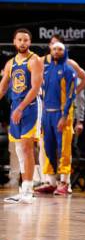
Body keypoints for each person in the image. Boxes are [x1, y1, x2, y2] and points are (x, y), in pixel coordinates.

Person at [0, 29, 43, 203]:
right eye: (20, 39)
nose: (23, 43)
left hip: (30, 107)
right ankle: (23, 189)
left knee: (27, 148)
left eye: (26, 40)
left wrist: (20, 108)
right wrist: (16, 108)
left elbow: (35, 88)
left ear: (30, 42)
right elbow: (3, 87)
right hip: (16, 107)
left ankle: (28, 190)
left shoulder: (35, 60)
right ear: (14, 41)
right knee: (19, 149)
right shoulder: (10, 63)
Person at [36, 41, 76, 196]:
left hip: (62, 114)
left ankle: (65, 182)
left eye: (60, 49)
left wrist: (65, 116)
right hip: (47, 114)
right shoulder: (46, 69)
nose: (57, 51)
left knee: (64, 149)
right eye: (54, 49)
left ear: (65, 51)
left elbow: (71, 95)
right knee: (48, 148)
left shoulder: (68, 70)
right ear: (50, 51)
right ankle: (51, 182)